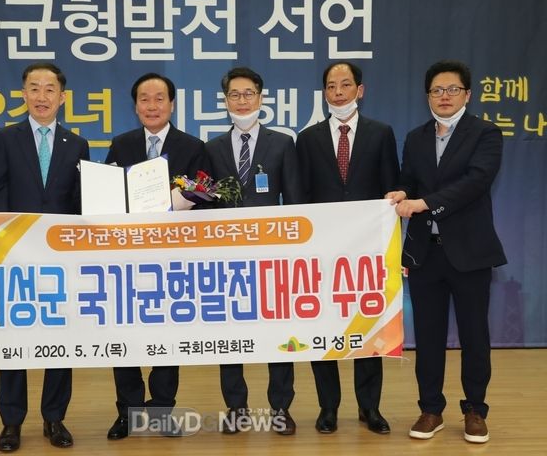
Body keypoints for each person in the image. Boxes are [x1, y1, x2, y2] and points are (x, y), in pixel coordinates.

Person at [386, 60, 506, 444]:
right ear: (428, 96)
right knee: (428, 337)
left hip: (470, 252)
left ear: (467, 94)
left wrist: (423, 203)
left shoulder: (485, 133)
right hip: (425, 254)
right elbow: (409, 181)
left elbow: (475, 182)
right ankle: (430, 409)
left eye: (452, 89)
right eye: (436, 90)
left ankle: (475, 410)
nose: (444, 96)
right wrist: (402, 193)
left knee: (474, 336)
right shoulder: (416, 137)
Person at [0, 62, 90, 451]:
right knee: (15, 341)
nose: (41, 96)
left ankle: (54, 418)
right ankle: (11, 423)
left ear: (62, 97)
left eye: (49, 89)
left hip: (61, 260)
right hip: (15, 257)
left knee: (60, 341)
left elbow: (80, 204)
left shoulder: (76, 144)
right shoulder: (4, 139)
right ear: (23, 94)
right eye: (34, 88)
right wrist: (10, 246)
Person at [104, 72, 209, 439]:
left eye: (159, 98)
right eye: (144, 99)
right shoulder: (120, 145)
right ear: (135, 106)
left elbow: (205, 199)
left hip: (173, 261)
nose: (152, 106)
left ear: (172, 104)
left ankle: (163, 409)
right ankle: (128, 411)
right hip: (127, 261)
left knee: (167, 338)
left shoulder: (193, 147)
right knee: (125, 337)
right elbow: (106, 198)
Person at [296, 61, 399, 435]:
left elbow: (391, 189)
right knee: (323, 329)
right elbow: (301, 197)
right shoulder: (307, 139)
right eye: (330, 86)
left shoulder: (381, 133)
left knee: (367, 328)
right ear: (324, 92)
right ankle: (328, 407)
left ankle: (370, 408)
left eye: (345, 85)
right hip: (322, 252)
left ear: (360, 90)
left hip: (367, 252)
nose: (337, 92)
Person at [205, 66, 302, 435]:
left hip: (272, 257)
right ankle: (236, 407)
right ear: (225, 100)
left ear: (260, 98)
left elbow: (294, 201)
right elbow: (206, 205)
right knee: (230, 337)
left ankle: (281, 407)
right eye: (234, 94)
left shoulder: (282, 143)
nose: (242, 100)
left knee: (278, 335)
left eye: (248, 94)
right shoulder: (212, 148)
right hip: (227, 258)